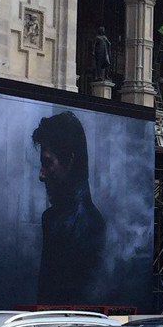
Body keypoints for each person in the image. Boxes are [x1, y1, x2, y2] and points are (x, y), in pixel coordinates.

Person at [33, 110, 106, 303]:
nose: (41, 175)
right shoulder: (52, 219)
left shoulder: (88, 224)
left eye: (48, 163)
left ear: (70, 160)